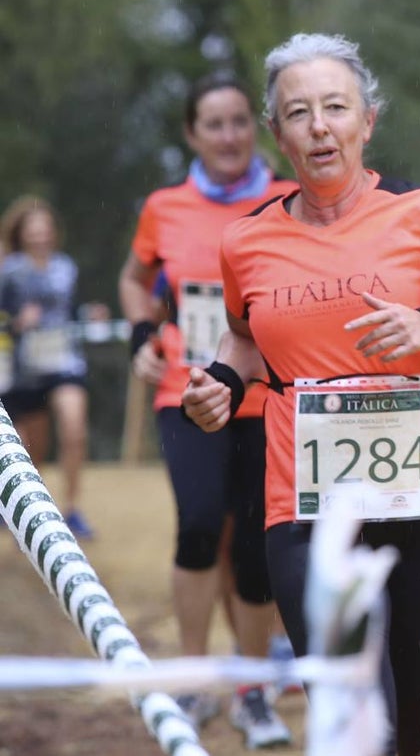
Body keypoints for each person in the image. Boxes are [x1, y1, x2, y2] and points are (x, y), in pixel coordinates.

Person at [181, 33, 420, 756]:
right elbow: (245, 337)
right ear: (276, 132)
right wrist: (221, 383)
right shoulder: (245, 242)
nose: (319, 126)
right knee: (351, 721)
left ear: (366, 120)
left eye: (335, 107)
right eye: (298, 112)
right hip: (308, 508)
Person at [118, 71, 296, 749]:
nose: (228, 135)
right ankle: (193, 679)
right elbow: (136, 277)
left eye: (239, 122)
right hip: (185, 391)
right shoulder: (165, 205)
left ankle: (253, 690)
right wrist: (141, 332)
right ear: (192, 134)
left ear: (256, 129)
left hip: (263, 393)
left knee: (255, 548)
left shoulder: (287, 199)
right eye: (213, 124)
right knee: (198, 523)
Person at [0, 195, 103, 539]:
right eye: (34, 231)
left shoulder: (66, 266)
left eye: (45, 230)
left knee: (74, 430)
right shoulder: (9, 270)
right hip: (25, 371)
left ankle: (72, 511)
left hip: (65, 362)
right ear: (21, 234)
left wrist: (90, 313)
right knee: (34, 450)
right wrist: (15, 322)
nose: (41, 236)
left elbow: (69, 311)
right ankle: (29, 514)